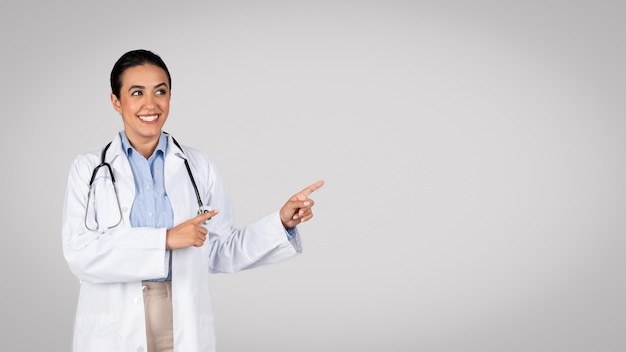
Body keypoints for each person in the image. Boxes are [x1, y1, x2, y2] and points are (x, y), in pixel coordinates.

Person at [61, 49, 324, 352]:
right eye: (137, 92)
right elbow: (79, 255)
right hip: (114, 320)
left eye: (161, 91)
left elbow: (220, 250)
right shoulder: (88, 169)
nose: (151, 104)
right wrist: (166, 239)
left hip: (181, 315)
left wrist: (280, 222)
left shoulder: (197, 165)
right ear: (116, 101)